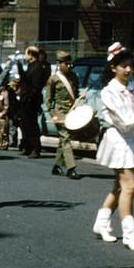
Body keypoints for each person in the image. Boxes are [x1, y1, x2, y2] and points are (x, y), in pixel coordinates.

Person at [91, 42, 134, 252]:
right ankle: (129, 233)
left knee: (120, 186)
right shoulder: (108, 92)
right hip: (117, 141)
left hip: (130, 139)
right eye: (123, 66)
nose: (128, 69)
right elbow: (123, 121)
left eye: (130, 65)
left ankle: (102, 222)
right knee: (130, 186)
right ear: (113, 67)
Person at [47, 50, 81, 179]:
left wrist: (79, 101)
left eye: (69, 63)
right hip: (59, 111)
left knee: (64, 139)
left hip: (71, 111)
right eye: (65, 64)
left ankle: (56, 166)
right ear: (59, 64)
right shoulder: (54, 79)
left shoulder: (73, 76)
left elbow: (76, 93)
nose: (68, 66)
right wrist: (52, 114)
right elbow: (48, 99)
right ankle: (71, 168)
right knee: (66, 137)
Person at [16, 46, 45, 158]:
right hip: (25, 99)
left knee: (31, 124)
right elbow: (25, 80)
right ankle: (27, 146)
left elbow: (36, 86)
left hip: (31, 101)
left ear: (31, 55)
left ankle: (35, 148)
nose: (25, 56)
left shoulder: (37, 67)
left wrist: (29, 97)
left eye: (26, 54)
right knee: (24, 124)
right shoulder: (31, 66)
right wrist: (19, 68)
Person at [0, 79, 17, 150]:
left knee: (4, 130)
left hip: (3, 114)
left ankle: (5, 143)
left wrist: (3, 113)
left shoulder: (6, 93)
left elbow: (7, 105)